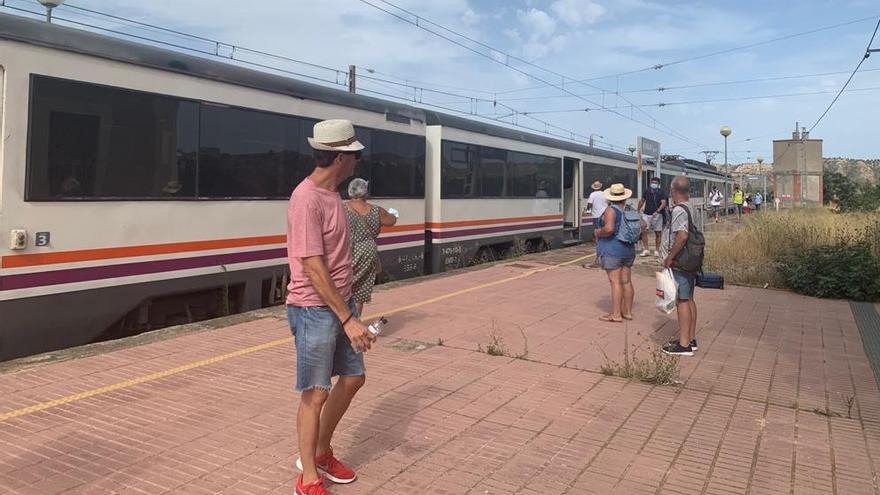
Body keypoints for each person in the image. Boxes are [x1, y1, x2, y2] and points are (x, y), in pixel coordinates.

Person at [286, 119, 376, 495]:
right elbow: (312, 266)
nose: (357, 162)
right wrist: (348, 318)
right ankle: (307, 477)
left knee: (353, 378)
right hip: (314, 309)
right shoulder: (306, 199)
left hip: (340, 303)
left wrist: (349, 307)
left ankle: (322, 452)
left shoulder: (332, 196)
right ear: (340, 157)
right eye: (354, 155)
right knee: (315, 392)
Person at [345, 178, 398, 316]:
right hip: (367, 251)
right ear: (365, 192)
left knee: (342, 284)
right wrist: (394, 214)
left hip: (344, 251)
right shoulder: (376, 210)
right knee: (360, 289)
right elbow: (391, 221)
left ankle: (341, 320)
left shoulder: (342, 208)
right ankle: (355, 321)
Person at [661, 176, 701, 356]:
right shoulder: (692, 207)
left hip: (681, 261)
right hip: (692, 260)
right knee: (689, 299)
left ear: (673, 191)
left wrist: (670, 257)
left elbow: (682, 236)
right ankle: (690, 339)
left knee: (682, 301)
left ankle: (684, 345)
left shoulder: (678, 210)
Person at [593, 183, 637, 322]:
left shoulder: (611, 210)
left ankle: (616, 314)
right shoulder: (631, 209)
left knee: (615, 282)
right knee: (626, 281)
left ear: (610, 197)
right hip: (629, 250)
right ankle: (628, 312)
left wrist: (597, 232)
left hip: (613, 250)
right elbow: (642, 225)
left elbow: (609, 229)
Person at [638, 176, 667, 257]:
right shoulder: (647, 191)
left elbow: (663, 203)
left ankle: (657, 250)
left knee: (658, 232)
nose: (653, 184)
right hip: (646, 214)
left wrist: (657, 211)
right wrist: (638, 209)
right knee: (644, 231)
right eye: (652, 183)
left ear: (658, 184)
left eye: (655, 183)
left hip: (657, 215)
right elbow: (642, 200)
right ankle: (646, 249)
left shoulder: (662, 192)